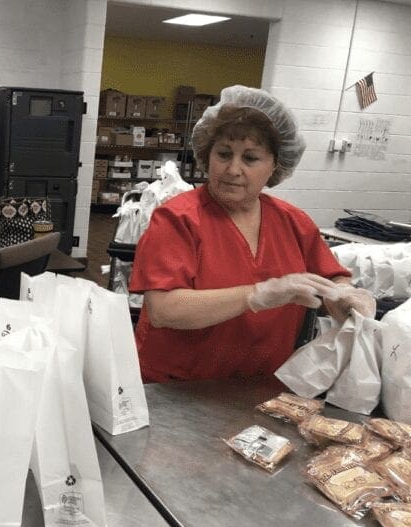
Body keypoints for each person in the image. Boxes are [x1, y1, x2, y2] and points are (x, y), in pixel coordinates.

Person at [128, 85, 375, 382]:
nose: (233, 169)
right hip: (177, 389)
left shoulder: (293, 223)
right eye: (223, 154)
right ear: (207, 157)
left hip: (258, 389)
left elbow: (332, 277)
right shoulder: (178, 219)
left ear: (274, 165)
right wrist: (258, 295)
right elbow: (163, 310)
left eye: (250, 158)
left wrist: (344, 295)